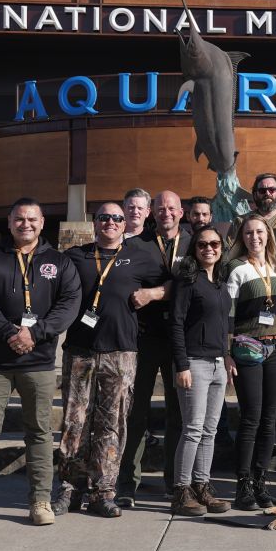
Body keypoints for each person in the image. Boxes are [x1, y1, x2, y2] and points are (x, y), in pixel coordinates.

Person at [0, 197, 81, 529]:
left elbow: (69, 303)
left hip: (38, 362)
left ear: (42, 223)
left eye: (32, 219)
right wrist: (9, 332)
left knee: (39, 433)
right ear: (10, 223)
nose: (26, 225)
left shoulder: (59, 262)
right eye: (19, 219)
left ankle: (40, 500)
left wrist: (35, 333)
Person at [51, 202, 164, 519]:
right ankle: (70, 490)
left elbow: (171, 284)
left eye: (116, 218)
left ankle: (104, 492)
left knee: (112, 425)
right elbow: (44, 268)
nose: (111, 222)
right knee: (75, 423)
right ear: (95, 223)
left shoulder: (141, 257)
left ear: (124, 224)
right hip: (80, 352)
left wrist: (151, 295)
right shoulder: (76, 256)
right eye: (104, 218)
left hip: (121, 352)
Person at [117, 190, 190, 506]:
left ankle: (175, 483)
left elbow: (193, 284)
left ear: (181, 211)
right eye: (161, 209)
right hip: (143, 338)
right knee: (136, 413)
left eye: (172, 208)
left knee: (178, 414)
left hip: (181, 342)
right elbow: (125, 286)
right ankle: (126, 484)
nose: (166, 213)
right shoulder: (136, 245)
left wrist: (155, 293)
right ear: (152, 213)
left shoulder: (195, 243)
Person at [169, 226, 235, 516]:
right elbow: (176, 323)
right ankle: (181, 490)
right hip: (194, 363)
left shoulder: (219, 283)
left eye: (215, 244)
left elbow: (223, 327)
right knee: (193, 429)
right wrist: (182, 365)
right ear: (194, 249)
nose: (209, 249)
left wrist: (227, 356)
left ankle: (202, 486)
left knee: (209, 431)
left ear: (221, 248)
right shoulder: (188, 281)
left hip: (218, 364)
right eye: (203, 245)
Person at [226, 214, 276, 510]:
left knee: (270, 418)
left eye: (260, 232)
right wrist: (226, 352)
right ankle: (243, 486)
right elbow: (227, 315)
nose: (254, 237)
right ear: (242, 237)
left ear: (268, 235)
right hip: (247, 348)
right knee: (251, 417)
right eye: (248, 233)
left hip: (274, 347)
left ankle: (262, 483)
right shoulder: (236, 269)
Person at [228, 173, 276, 263]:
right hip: (251, 274)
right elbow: (230, 254)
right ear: (255, 194)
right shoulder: (241, 221)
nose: (267, 193)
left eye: (272, 190)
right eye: (262, 191)